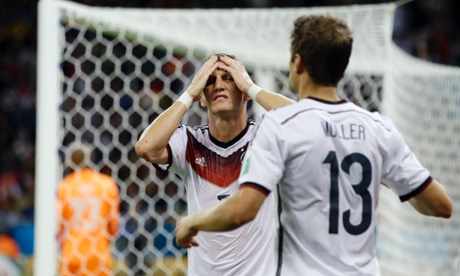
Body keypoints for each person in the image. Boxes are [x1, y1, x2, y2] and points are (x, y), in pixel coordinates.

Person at [175, 14, 453, 275]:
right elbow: (441, 206)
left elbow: (242, 210)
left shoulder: (283, 127)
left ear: (297, 63)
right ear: (342, 69)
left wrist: (192, 222)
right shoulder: (379, 129)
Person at [135, 53, 294, 275]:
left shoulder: (264, 137)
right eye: (210, 80)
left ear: (243, 91)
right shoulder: (189, 142)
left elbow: (306, 121)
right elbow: (145, 147)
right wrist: (189, 93)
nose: (218, 85)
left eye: (229, 78)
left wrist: (251, 87)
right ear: (202, 96)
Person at [57, 144, 120, 276]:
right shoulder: (107, 184)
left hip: (72, 256)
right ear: (91, 159)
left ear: (69, 161)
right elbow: (114, 227)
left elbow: (59, 228)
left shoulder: (65, 186)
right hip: (99, 256)